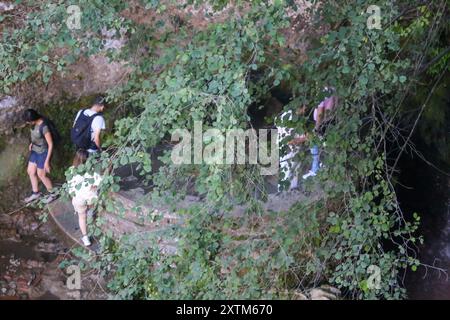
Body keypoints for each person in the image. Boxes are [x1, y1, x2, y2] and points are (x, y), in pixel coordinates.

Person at [67, 149, 103, 247]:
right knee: (91, 212)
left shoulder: (71, 170)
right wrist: (94, 186)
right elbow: (100, 182)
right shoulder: (92, 171)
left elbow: (70, 187)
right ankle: (92, 225)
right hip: (90, 197)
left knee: (82, 217)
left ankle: (85, 238)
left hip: (79, 199)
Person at [302, 87, 338, 180]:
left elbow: (320, 113)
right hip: (332, 121)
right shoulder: (334, 89)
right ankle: (327, 167)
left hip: (323, 123)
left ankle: (315, 169)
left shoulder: (322, 92)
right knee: (328, 144)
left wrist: (316, 128)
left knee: (314, 144)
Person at [23, 109, 56, 203]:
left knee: (41, 175)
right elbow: (34, 136)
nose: (27, 123)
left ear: (33, 120)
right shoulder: (33, 124)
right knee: (30, 171)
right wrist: (31, 143)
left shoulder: (44, 127)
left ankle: (53, 194)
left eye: (28, 121)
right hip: (34, 150)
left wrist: (47, 162)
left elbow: (50, 144)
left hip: (43, 152)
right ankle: (35, 193)